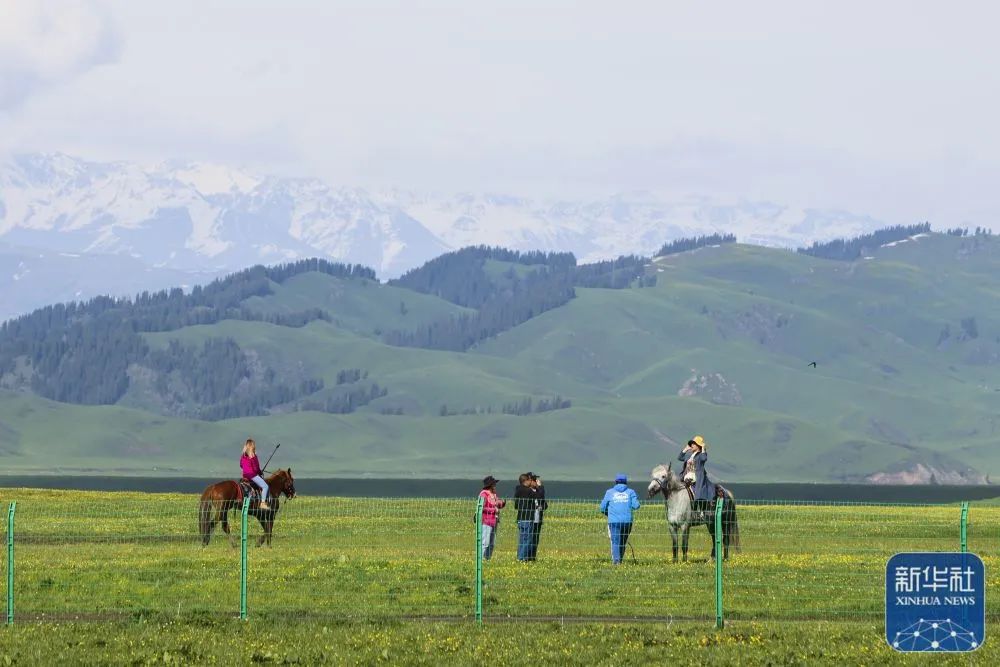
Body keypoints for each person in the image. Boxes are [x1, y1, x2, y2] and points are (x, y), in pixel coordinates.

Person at [599, 473, 640, 564]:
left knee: (615, 542)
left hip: (614, 522)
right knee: (622, 542)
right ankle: (620, 560)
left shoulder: (609, 492)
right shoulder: (631, 492)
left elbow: (602, 508)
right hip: (627, 521)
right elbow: (636, 506)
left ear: (616, 482)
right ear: (626, 482)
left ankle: (616, 563)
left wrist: (609, 514)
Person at [678, 435, 714, 520]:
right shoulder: (689, 456)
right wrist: (685, 449)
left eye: (694, 444)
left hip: (696, 478)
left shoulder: (700, 455)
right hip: (686, 477)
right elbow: (680, 457)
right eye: (691, 444)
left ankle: (700, 511)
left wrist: (703, 449)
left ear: (698, 446)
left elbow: (704, 458)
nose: (692, 445)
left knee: (698, 493)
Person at [477, 476, 506, 560]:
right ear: (490, 485)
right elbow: (481, 508)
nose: (495, 485)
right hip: (486, 520)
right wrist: (493, 510)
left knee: (492, 542)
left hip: (494, 520)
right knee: (485, 542)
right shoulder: (483, 494)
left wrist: (502, 503)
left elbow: (497, 503)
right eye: (494, 484)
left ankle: (487, 558)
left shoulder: (493, 494)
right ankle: (481, 558)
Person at [240, 438, 270, 510]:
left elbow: (241, 465)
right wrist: (260, 472)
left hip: (245, 475)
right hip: (252, 475)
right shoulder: (254, 456)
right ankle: (263, 503)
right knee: (265, 486)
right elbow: (256, 468)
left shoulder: (243, 456)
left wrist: (246, 469)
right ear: (252, 446)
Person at [513, 473, 535, 561]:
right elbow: (538, 496)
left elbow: (516, 505)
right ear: (525, 481)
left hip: (520, 518)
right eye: (530, 480)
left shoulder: (518, 490)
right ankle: (521, 558)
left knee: (522, 539)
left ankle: (520, 556)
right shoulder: (528, 491)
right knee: (527, 540)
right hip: (527, 518)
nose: (531, 481)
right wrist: (539, 487)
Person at [528, 473, 547, 560]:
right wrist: (541, 487)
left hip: (538, 519)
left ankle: (533, 557)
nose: (537, 482)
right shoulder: (528, 491)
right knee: (529, 539)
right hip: (530, 518)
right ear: (531, 481)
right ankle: (527, 556)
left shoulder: (538, 491)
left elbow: (545, 504)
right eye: (535, 480)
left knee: (535, 539)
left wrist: (541, 506)